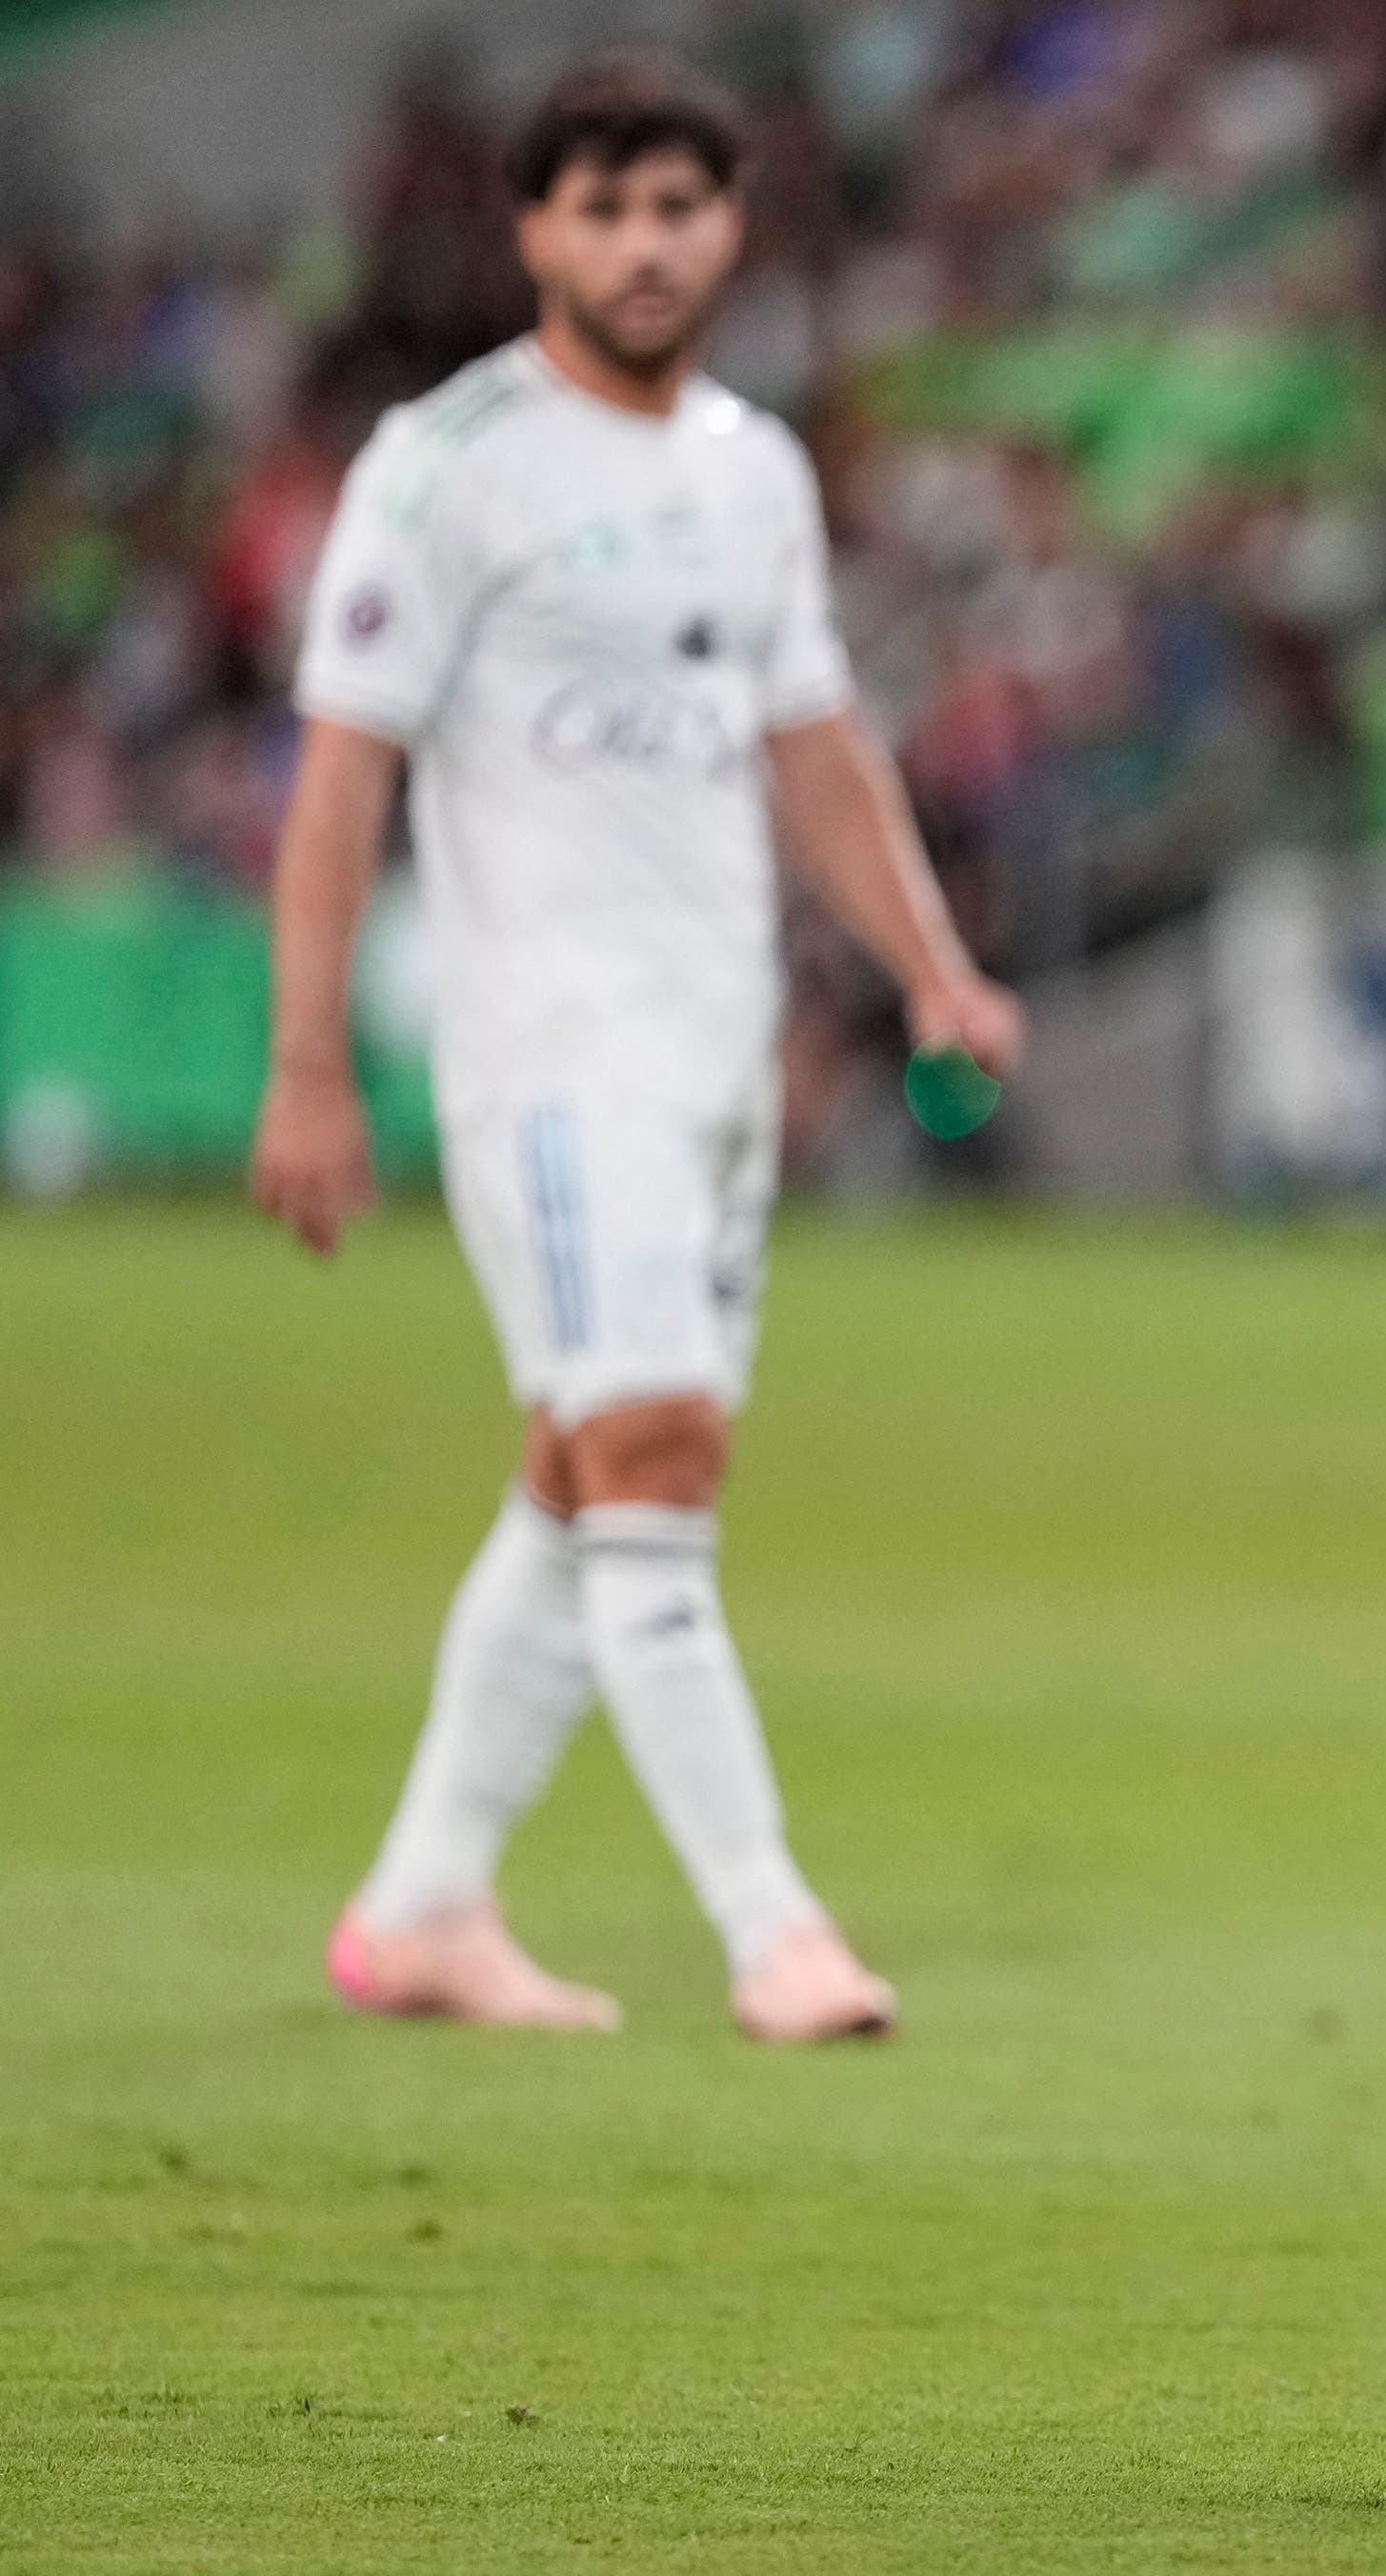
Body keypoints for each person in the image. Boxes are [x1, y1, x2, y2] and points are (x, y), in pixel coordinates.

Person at [249, 51, 1023, 2041]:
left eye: (677, 205)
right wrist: (309, 1063)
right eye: (601, 207)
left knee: (583, 1472)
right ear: (533, 232)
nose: (644, 242)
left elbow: (817, 748)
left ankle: (422, 1900)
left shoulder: (749, 467)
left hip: (712, 1062)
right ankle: (775, 1929)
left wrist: (931, 964)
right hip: (547, 1051)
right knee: (652, 1459)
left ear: (729, 224)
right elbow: (340, 783)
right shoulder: (447, 462)